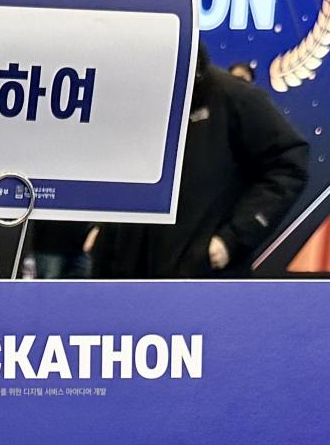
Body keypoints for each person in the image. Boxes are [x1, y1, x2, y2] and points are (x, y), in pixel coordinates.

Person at [90, 44, 309, 279]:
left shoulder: (232, 97)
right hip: (124, 277)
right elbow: (112, 168)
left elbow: (288, 165)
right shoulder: (135, 95)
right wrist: (100, 229)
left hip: (197, 277)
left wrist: (232, 238)